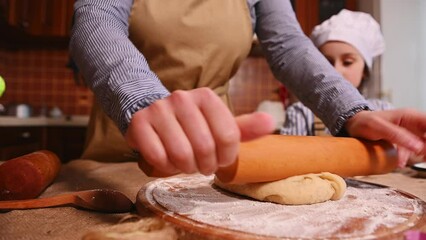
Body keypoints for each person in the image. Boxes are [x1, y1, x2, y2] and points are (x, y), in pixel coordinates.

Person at [70, 0, 425, 177]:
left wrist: (351, 110)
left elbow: (288, 45)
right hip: (123, 145)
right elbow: (96, 18)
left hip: (214, 156)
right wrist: (141, 97)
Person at [281, 9, 393, 136]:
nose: (336, 70)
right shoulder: (302, 114)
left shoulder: (383, 111)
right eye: (327, 63)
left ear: (365, 71)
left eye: (347, 62)